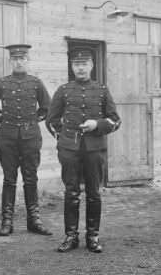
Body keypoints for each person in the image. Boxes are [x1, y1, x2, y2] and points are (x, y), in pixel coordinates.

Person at [47, 47, 120, 253]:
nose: (81, 68)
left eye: (84, 64)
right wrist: (64, 140)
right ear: (71, 67)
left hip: (94, 149)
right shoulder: (63, 90)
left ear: (91, 66)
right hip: (70, 150)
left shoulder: (102, 90)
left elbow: (115, 120)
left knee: (93, 193)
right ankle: (71, 236)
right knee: (71, 192)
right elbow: (52, 120)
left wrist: (97, 125)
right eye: (77, 64)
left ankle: (93, 236)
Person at [0, 44, 52, 237]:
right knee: (9, 179)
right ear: (10, 61)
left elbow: (47, 108)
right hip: (7, 137)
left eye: (22, 59)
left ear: (27, 60)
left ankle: (34, 221)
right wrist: (1, 117)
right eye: (15, 59)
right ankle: (7, 222)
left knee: (30, 178)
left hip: (30, 137)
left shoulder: (36, 83)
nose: (18, 62)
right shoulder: (2, 83)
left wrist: (33, 120)